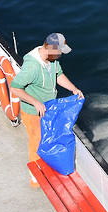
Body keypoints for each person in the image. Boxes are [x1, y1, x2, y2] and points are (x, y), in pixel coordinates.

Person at [8, 33, 84, 187]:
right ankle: (35, 178)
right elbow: (15, 88)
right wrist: (35, 102)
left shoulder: (52, 60)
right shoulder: (32, 67)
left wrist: (73, 89)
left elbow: (58, 75)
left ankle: (48, 167)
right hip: (33, 112)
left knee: (48, 139)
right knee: (36, 143)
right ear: (50, 48)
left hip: (48, 110)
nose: (61, 54)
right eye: (59, 51)